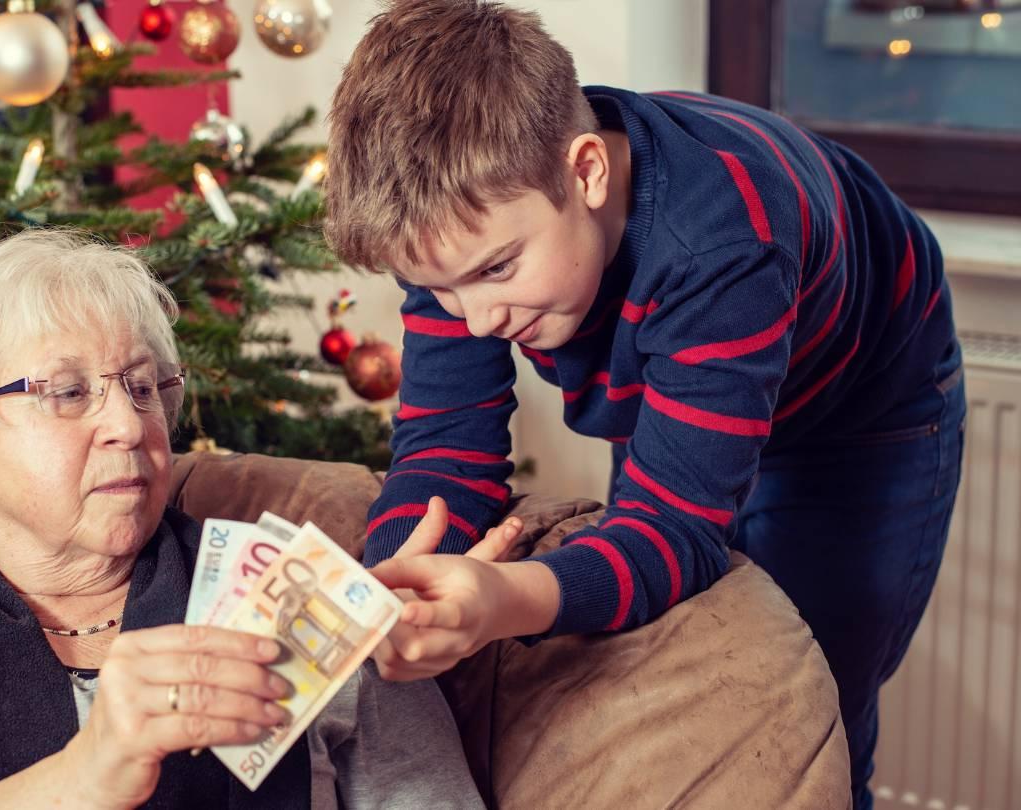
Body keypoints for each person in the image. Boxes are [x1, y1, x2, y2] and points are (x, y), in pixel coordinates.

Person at [325, 3, 965, 808]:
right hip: (694, 361)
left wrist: (505, 602)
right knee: (663, 646)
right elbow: (446, 452)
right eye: (437, 290)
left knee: (820, 702)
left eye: (496, 272)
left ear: (586, 171)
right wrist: (390, 581)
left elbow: (673, 529)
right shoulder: (459, 233)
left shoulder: (725, 241)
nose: (476, 322)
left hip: (864, 403)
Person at [0, 229, 484, 810]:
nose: (129, 423)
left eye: (142, 385)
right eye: (64, 391)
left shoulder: (297, 594)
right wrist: (85, 777)